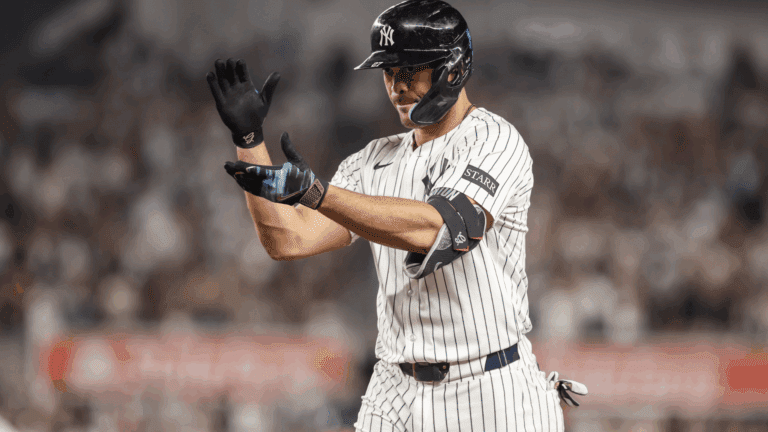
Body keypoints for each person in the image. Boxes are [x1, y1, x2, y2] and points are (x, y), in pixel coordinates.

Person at [206, 1, 586, 430]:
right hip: (394, 386)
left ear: (452, 68)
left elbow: (440, 228)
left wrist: (317, 194)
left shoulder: (495, 140)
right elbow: (287, 239)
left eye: (409, 70)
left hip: (489, 385)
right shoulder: (371, 161)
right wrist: (249, 139)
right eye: (388, 72)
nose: (396, 86)